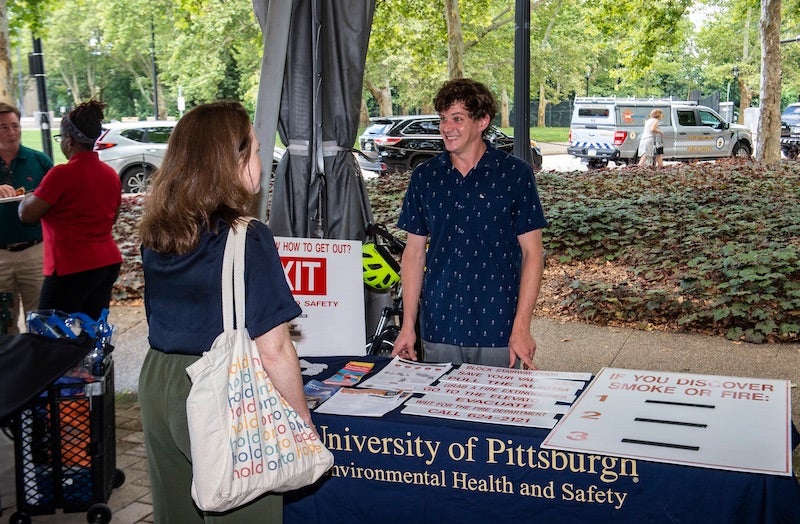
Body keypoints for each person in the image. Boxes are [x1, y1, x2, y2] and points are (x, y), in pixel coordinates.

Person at [137, 101, 312, 522]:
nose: (259, 159)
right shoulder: (248, 237)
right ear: (230, 161)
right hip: (223, 387)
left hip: (159, 383)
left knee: (177, 513)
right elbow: (274, 350)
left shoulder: (158, 230)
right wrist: (300, 424)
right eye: (253, 149)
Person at [391, 78, 548, 369]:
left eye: (458, 119)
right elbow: (413, 253)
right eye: (443, 119)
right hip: (440, 325)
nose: (447, 128)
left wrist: (522, 326)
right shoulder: (425, 177)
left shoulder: (515, 175)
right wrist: (408, 326)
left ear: (482, 121)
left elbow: (533, 254)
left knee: (501, 411)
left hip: (500, 325)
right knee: (441, 411)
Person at [19, 100, 122, 321]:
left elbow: (26, 215)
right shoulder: (109, 173)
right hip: (106, 263)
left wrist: (28, 196)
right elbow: (113, 216)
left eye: (60, 138)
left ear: (69, 140)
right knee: (90, 329)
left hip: (70, 267)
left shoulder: (61, 174)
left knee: (51, 333)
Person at [0, 103, 52, 333]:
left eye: (15, 126)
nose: (11, 133)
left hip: (34, 253)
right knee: (4, 322)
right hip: (0, 255)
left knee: (40, 318)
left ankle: (38, 367)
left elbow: (60, 201)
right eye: (3, 127)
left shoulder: (39, 161)